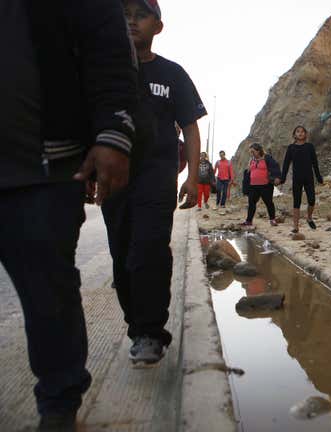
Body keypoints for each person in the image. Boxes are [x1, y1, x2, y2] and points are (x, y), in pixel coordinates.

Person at [0, 0, 137, 428]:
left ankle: (59, 405)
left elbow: (109, 51)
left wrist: (114, 135)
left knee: (48, 292)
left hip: (41, 166)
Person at [102, 0, 207, 367]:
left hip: (158, 177)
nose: (131, 21)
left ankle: (149, 332)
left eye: (141, 15)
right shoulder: (105, 72)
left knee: (149, 249)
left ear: (157, 27)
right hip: (114, 179)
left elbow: (191, 127)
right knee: (122, 256)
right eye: (125, 14)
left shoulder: (172, 74)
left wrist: (192, 177)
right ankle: (137, 324)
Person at [280, 126, 324, 233]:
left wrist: (318, 177)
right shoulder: (291, 148)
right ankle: (295, 227)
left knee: (312, 200)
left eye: (302, 131)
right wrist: (283, 178)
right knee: (297, 202)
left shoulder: (310, 147)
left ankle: (309, 217)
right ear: (294, 135)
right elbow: (286, 164)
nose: (300, 133)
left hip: (309, 178)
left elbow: (315, 163)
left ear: (306, 134)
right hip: (297, 179)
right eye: (298, 132)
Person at [241, 143, 281, 227]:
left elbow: (275, 167)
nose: (251, 154)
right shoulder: (251, 160)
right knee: (251, 203)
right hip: (253, 186)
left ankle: (272, 220)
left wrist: (277, 177)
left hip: (265, 185)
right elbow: (248, 172)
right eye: (250, 152)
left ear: (258, 151)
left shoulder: (267, 158)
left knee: (269, 203)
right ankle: (249, 221)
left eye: (253, 152)